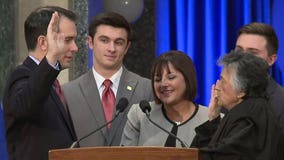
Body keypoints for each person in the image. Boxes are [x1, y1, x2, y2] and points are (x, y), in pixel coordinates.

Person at [62, 12, 153, 147]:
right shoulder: (68, 93)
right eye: (104, 40)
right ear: (90, 42)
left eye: (119, 42)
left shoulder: (146, 89)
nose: (112, 48)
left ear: (127, 47)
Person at [2, 6, 78, 160]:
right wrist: (51, 57)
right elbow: (27, 104)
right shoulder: (21, 76)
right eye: (68, 40)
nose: (75, 48)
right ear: (44, 42)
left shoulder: (50, 81)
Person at [191, 50, 284, 159]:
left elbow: (223, 155)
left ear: (241, 91)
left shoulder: (248, 117)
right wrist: (213, 118)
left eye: (223, 80)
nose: (217, 86)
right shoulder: (251, 109)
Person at [120, 50, 208, 147]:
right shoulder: (140, 115)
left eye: (171, 77)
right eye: (158, 79)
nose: (163, 84)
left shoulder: (211, 120)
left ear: (188, 79)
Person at [235, 22, 284, 130]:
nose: (242, 57)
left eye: (252, 53)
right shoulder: (227, 97)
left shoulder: (281, 102)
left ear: (271, 59)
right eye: (239, 50)